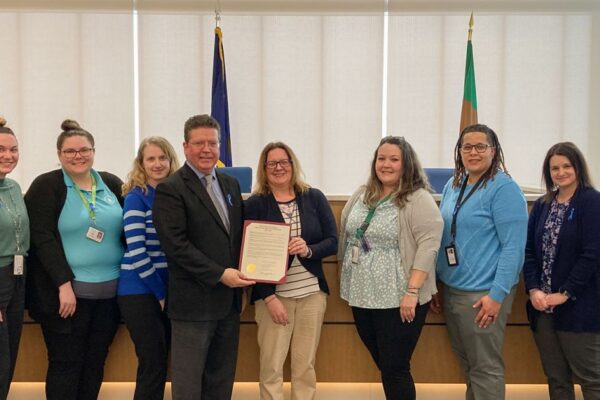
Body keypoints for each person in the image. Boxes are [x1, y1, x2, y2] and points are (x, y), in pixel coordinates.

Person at [152, 114, 254, 400]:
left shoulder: (230, 184)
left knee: (221, 381)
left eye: (212, 142)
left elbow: (236, 238)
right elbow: (176, 246)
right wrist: (220, 274)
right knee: (188, 385)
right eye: (199, 143)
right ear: (185, 146)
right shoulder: (171, 189)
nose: (206, 149)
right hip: (193, 305)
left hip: (229, 303)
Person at [24, 119, 124, 400]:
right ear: (59, 155)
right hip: (65, 298)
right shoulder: (47, 185)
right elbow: (41, 238)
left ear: (94, 151)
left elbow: (128, 231)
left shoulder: (112, 183)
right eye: (70, 151)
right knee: (66, 364)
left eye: (84, 150)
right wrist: (63, 283)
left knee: (94, 363)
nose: (78, 156)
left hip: (109, 296)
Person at [339, 136, 443, 400]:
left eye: (394, 159)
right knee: (385, 364)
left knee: (395, 367)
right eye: (381, 158)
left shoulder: (418, 199)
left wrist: (412, 291)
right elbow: (348, 234)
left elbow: (428, 247)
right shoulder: (362, 194)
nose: (386, 164)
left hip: (399, 297)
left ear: (406, 164)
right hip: (362, 294)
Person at [434, 124, 528, 400]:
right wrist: (437, 284)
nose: (473, 152)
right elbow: (444, 238)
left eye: (480, 147)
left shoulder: (505, 189)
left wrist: (497, 295)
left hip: (484, 295)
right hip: (453, 289)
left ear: (493, 150)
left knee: (485, 368)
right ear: (459, 151)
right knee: (469, 364)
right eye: (467, 147)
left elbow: (514, 247)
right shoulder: (454, 184)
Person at [245, 142, 337, 400]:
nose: (278, 168)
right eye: (272, 163)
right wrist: (269, 298)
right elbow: (249, 258)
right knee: (271, 367)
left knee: (304, 366)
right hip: (274, 299)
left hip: (312, 296)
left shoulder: (313, 197)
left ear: (292, 164)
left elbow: (333, 240)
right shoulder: (255, 204)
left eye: (283, 162)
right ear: (264, 169)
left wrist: (309, 250)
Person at [523, 142, 600, 400]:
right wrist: (534, 289)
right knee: (556, 379)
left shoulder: (591, 201)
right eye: (554, 168)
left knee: (592, 380)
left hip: (579, 307)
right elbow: (529, 251)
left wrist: (565, 293)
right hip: (542, 308)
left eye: (567, 166)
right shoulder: (544, 204)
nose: (561, 172)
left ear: (577, 167)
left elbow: (592, 255)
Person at [117, 137, 180, 400]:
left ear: (171, 160)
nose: (157, 164)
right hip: (139, 291)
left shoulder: (175, 195)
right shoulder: (136, 197)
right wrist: (162, 294)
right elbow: (137, 251)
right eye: (150, 159)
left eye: (162, 158)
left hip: (166, 288)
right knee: (152, 362)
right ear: (141, 163)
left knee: (163, 362)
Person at [0, 117, 29, 400]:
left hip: (17, 275)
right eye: (1, 149)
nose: (8, 156)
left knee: (9, 357)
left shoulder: (12, 188)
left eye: (13, 149)